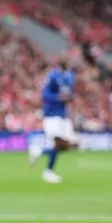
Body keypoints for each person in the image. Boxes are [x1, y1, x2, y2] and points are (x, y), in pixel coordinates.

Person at [28, 54, 78, 183]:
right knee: (58, 143)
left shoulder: (70, 76)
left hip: (63, 114)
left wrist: (70, 97)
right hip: (51, 114)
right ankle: (48, 172)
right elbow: (45, 94)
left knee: (68, 145)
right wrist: (58, 97)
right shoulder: (53, 75)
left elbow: (71, 93)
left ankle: (38, 151)